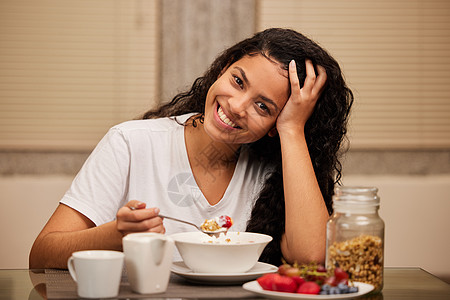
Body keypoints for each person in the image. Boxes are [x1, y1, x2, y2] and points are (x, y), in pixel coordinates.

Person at [29, 28, 353, 269]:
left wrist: (293, 131)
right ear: (223, 67)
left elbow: (311, 259)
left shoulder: (276, 168)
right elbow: (42, 254)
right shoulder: (130, 142)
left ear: (275, 126)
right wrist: (115, 235)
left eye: (264, 107)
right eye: (238, 81)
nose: (238, 106)